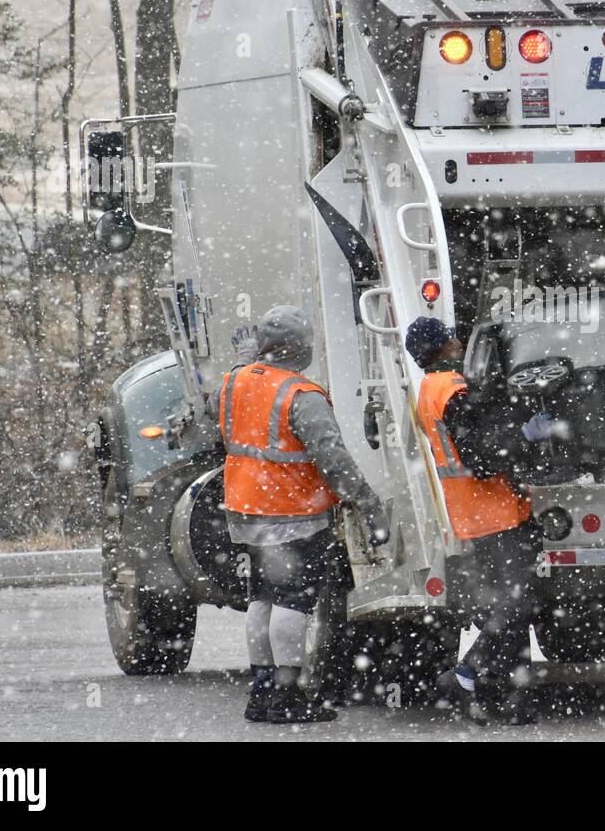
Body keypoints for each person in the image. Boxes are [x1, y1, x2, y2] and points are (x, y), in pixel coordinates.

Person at [217, 305, 389, 724]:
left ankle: (261, 692)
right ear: (300, 348)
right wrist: (366, 503)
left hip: (245, 509)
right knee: (292, 602)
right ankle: (286, 693)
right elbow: (333, 459)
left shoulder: (234, 381)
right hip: (291, 512)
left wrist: (246, 359)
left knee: (261, 598)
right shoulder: (301, 395)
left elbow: (222, 425)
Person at [406, 316, 550, 725]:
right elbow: (483, 458)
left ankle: (512, 699)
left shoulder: (429, 391)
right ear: (443, 347)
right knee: (515, 605)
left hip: (473, 513)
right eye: (451, 338)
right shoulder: (452, 391)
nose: (457, 342)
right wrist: (524, 437)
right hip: (494, 512)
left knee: (507, 607)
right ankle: (466, 675)